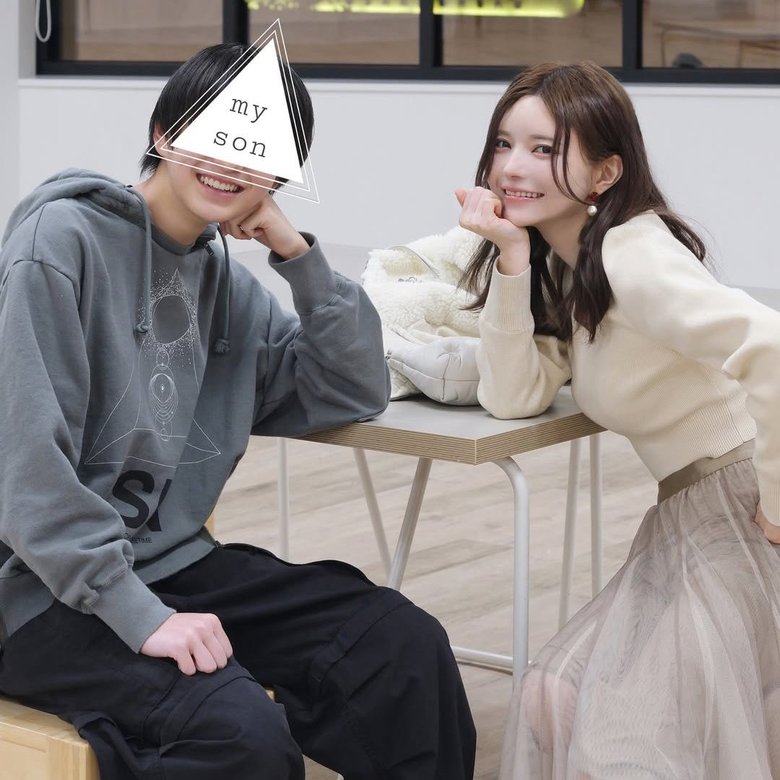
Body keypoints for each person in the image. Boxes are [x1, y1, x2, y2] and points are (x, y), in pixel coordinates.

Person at [0, 43, 475, 780]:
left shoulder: (226, 283)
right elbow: (27, 471)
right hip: (41, 592)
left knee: (397, 644)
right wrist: (141, 616)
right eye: (213, 133)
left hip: (173, 563)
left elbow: (350, 389)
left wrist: (295, 253)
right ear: (163, 132)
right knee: (239, 733)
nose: (229, 161)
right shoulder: (60, 242)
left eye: (257, 151)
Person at [455, 61, 780, 779]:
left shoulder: (632, 253)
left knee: (623, 741)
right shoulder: (573, 266)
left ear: (605, 174)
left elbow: (773, 348)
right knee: (552, 691)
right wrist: (512, 257)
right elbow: (513, 395)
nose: (513, 167)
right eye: (504, 143)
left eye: (544, 149)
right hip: (688, 515)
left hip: (741, 508)